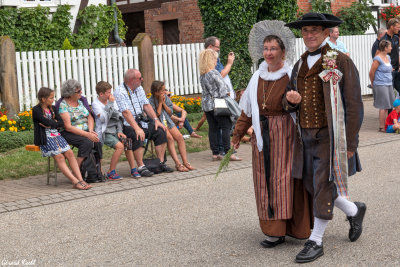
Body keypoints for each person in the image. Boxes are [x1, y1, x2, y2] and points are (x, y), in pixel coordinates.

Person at [284, 13, 366, 263]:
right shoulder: (298, 64)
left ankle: (316, 240)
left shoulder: (339, 60)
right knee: (312, 184)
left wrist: (350, 144)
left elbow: (354, 104)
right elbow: (289, 97)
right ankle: (354, 210)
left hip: (330, 137)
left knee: (322, 185)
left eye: (314, 30)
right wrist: (291, 102)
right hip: (304, 136)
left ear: (325, 33)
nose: (309, 35)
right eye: (305, 31)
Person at [232, 21, 313, 249]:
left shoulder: (291, 75)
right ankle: (273, 231)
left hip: (286, 136)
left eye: (273, 49)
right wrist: (237, 134)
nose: (268, 53)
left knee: (285, 180)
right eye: (266, 49)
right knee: (264, 180)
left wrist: (294, 101)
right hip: (262, 137)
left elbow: (301, 106)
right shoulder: (256, 77)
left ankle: (296, 228)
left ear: (283, 51)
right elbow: (247, 110)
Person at [114, 69, 174, 177]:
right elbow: (126, 113)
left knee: (160, 131)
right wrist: (137, 128)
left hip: (141, 119)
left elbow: (146, 105)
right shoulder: (120, 91)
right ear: (132, 80)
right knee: (137, 134)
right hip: (128, 123)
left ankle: (159, 163)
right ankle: (141, 166)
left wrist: (156, 120)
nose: (142, 79)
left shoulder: (139, 88)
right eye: (140, 78)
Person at [33, 87, 91, 190]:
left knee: (70, 153)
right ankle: (75, 181)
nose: (53, 99)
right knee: (59, 156)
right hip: (45, 138)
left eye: (53, 97)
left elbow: (60, 123)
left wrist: (52, 124)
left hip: (56, 135)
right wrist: (53, 123)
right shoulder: (36, 110)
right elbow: (46, 122)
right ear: (43, 99)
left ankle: (80, 179)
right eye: (51, 98)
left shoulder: (53, 108)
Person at [92, 81, 141, 179]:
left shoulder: (112, 102)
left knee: (127, 143)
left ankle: (133, 169)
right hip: (104, 132)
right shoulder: (95, 104)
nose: (111, 95)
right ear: (101, 94)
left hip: (115, 130)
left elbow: (118, 117)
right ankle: (111, 171)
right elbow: (103, 119)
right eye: (108, 93)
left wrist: (120, 131)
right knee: (120, 147)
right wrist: (110, 104)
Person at [56, 79, 103, 183]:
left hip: (85, 131)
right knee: (86, 142)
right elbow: (68, 126)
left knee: (97, 142)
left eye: (80, 90)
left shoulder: (80, 101)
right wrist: (87, 135)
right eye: (78, 91)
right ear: (70, 93)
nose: (81, 92)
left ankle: (95, 172)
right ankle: (77, 170)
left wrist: (90, 131)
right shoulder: (63, 105)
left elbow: (90, 116)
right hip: (68, 132)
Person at [149, 81, 196, 172]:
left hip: (168, 122)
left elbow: (170, 112)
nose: (164, 92)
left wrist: (163, 103)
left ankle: (186, 162)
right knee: (170, 138)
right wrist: (159, 103)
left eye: (164, 90)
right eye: (162, 91)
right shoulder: (150, 101)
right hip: (159, 123)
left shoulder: (165, 98)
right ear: (156, 92)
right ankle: (178, 164)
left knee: (179, 138)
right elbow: (157, 115)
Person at [199, 49, 237, 161]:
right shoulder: (214, 72)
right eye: (215, 58)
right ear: (211, 60)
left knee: (213, 128)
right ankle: (228, 152)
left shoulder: (203, 75)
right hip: (218, 104)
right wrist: (228, 93)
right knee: (226, 127)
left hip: (207, 105)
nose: (217, 61)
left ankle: (215, 153)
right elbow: (222, 89)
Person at [369, 40, 395, 132]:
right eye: (390, 46)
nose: (391, 48)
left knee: (390, 105)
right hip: (380, 84)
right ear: (385, 48)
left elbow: (389, 68)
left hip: (389, 83)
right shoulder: (377, 59)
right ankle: (381, 127)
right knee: (383, 106)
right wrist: (372, 83)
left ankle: (388, 124)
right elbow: (371, 72)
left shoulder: (388, 57)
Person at [381, 18, 400, 95]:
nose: (399, 29)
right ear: (392, 27)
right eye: (398, 27)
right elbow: (380, 56)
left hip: (397, 70)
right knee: (390, 95)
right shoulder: (384, 40)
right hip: (389, 72)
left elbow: (398, 52)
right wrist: (387, 67)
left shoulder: (396, 38)